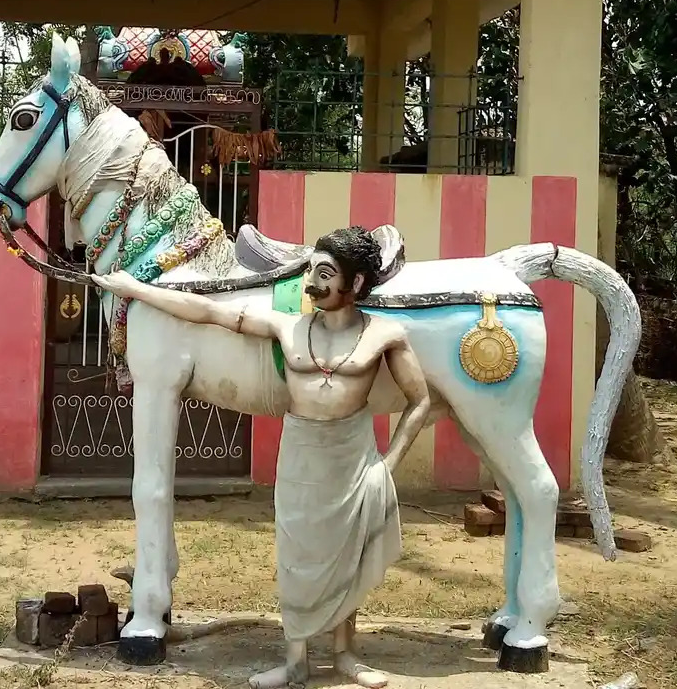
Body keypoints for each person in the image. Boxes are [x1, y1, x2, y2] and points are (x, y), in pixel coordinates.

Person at [93, 225, 432, 689]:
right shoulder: (287, 326)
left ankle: (345, 656)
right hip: (301, 454)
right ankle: (295, 661)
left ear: (354, 283)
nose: (311, 283)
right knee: (297, 555)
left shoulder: (386, 334)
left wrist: (389, 464)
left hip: (353, 454)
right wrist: (136, 289)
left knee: (347, 552)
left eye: (325, 274)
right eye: (311, 271)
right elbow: (207, 311)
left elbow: (419, 400)